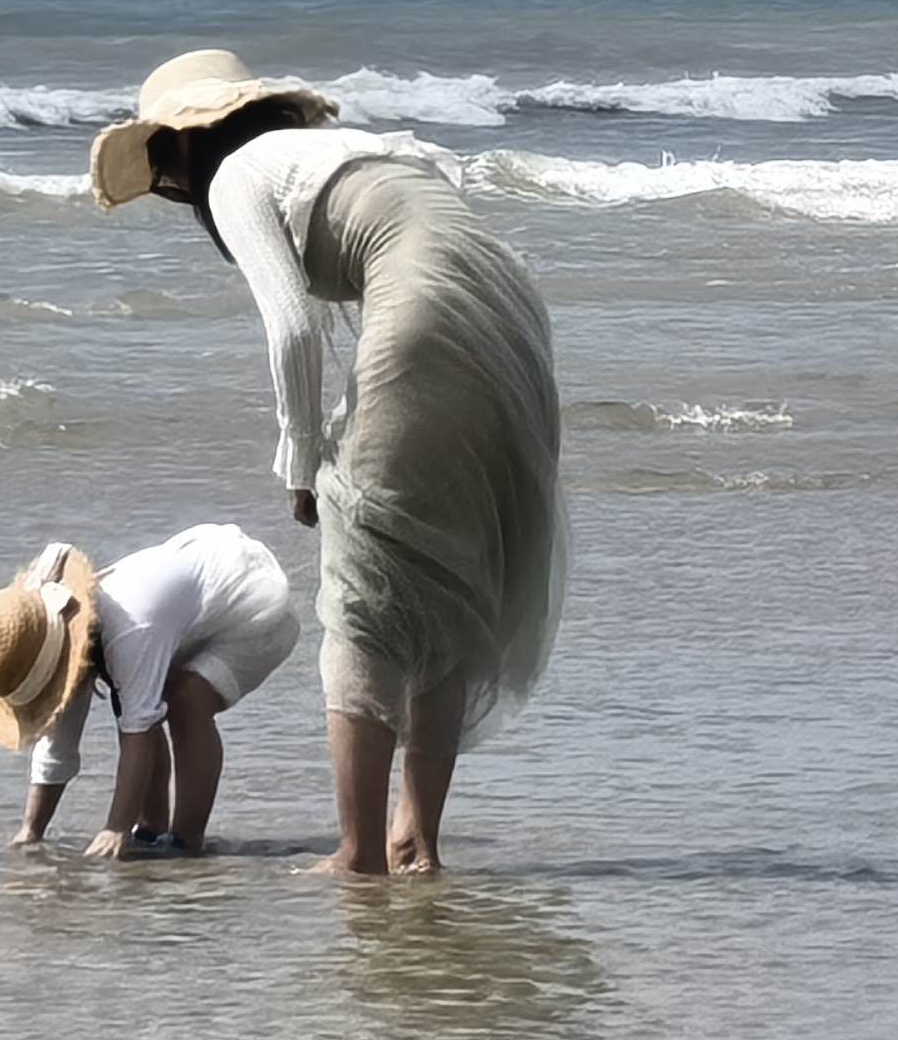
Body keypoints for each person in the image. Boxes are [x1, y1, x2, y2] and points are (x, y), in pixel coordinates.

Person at [92, 50, 562, 876]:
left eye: (166, 164)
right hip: (512, 316)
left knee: (361, 591)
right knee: (441, 585)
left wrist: (302, 462)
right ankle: (417, 839)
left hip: (425, 313)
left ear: (186, 143)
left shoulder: (237, 173)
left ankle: (358, 852)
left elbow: (295, 327)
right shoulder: (359, 149)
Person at [0, 522, 302, 859]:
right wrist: (31, 831)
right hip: (196, 602)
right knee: (130, 698)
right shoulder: (70, 632)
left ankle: (187, 841)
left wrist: (115, 827)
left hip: (252, 601)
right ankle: (151, 828)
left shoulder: (129, 628)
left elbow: (138, 731)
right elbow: (57, 746)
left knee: (185, 698)